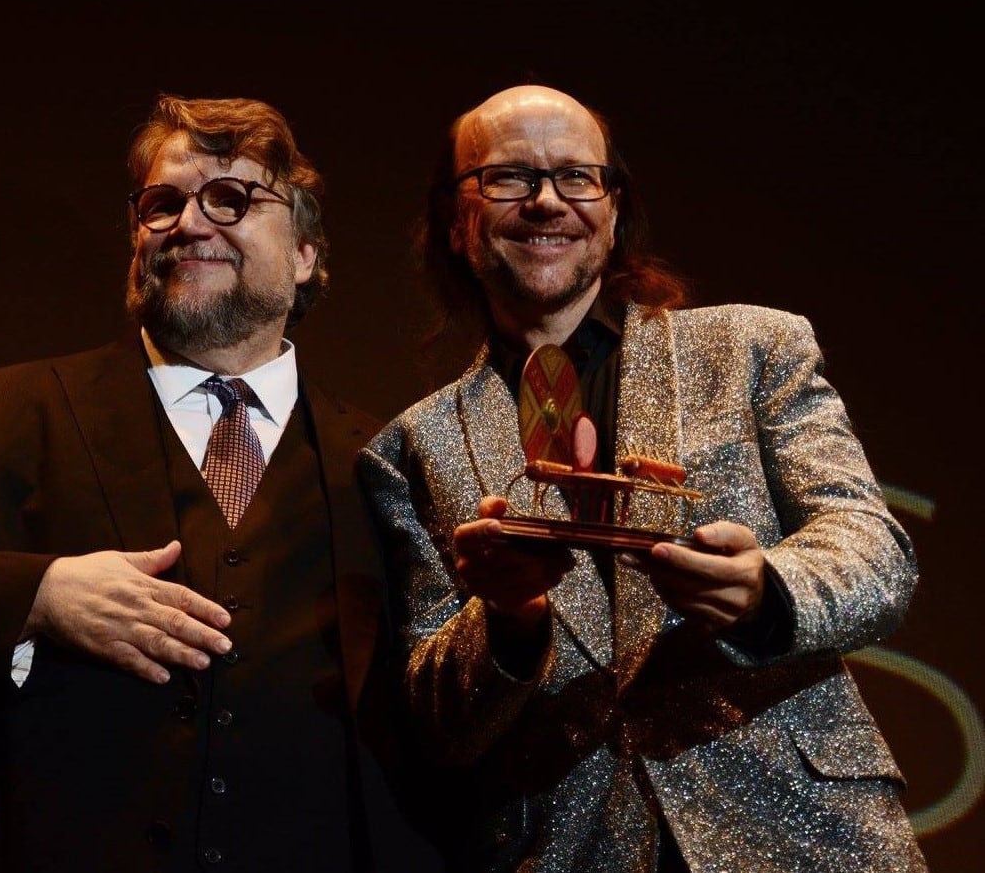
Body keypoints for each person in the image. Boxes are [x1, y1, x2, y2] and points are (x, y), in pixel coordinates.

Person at [0, 94, 440, 872]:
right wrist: (37, 597)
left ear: (307, 253)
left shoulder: (389, 459)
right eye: (162, 203)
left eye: (230, 198)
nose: (189, 222)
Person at [358, 84, 927, 872]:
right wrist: (510, 623)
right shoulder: (411, 448)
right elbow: (437, 723)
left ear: (614, 208)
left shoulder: (752, 348)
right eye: (509, 178)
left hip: (805, 832)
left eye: (577, 177)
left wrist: (769, 592)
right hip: (572, 849)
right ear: (457, 223)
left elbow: (875, 551)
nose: (547, 202)